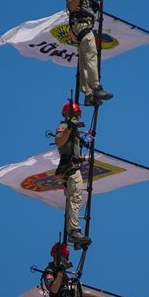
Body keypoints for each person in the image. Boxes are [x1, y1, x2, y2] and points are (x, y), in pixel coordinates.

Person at [66, 0, 113, 106]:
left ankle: (88, 93)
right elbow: (72, 6)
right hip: (81, 26)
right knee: (92, 54)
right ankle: (96, 87)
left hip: (83, 26)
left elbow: (89, 7)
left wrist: (95, 1)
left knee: (85, 61)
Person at [55, 101, 91, 250]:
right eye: (74, 114)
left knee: (72, 199)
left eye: (77, 115)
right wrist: (70, 127)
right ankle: (74, 231)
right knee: (75, 198)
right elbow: (59, 141)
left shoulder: (73, 131)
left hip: (69, 168)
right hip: (69, 168)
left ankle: (74, 234)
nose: (76, 117)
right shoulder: (65, 127)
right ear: (67, 115)